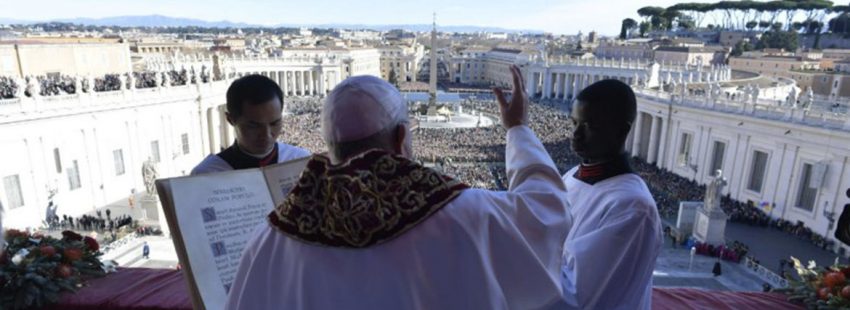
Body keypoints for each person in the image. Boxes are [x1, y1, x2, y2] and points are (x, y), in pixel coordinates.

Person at [225, 68, 571, 309]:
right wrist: (517, 130)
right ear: (402, 137)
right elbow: (547, 210)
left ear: (329, 145)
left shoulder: (272, 237)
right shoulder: (469, 213)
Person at [560, 79, 662, 309]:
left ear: (621, 131)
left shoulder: (632, 208)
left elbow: (580, 297)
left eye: (589, 126)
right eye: (574, 123)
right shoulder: (572, 176)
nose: (576, 134)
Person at [191, 74, 309, 175]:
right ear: (230, 119)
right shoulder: (206, 174)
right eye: (254, 126)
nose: (266, 135)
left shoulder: (302, 161)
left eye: (274, 123)